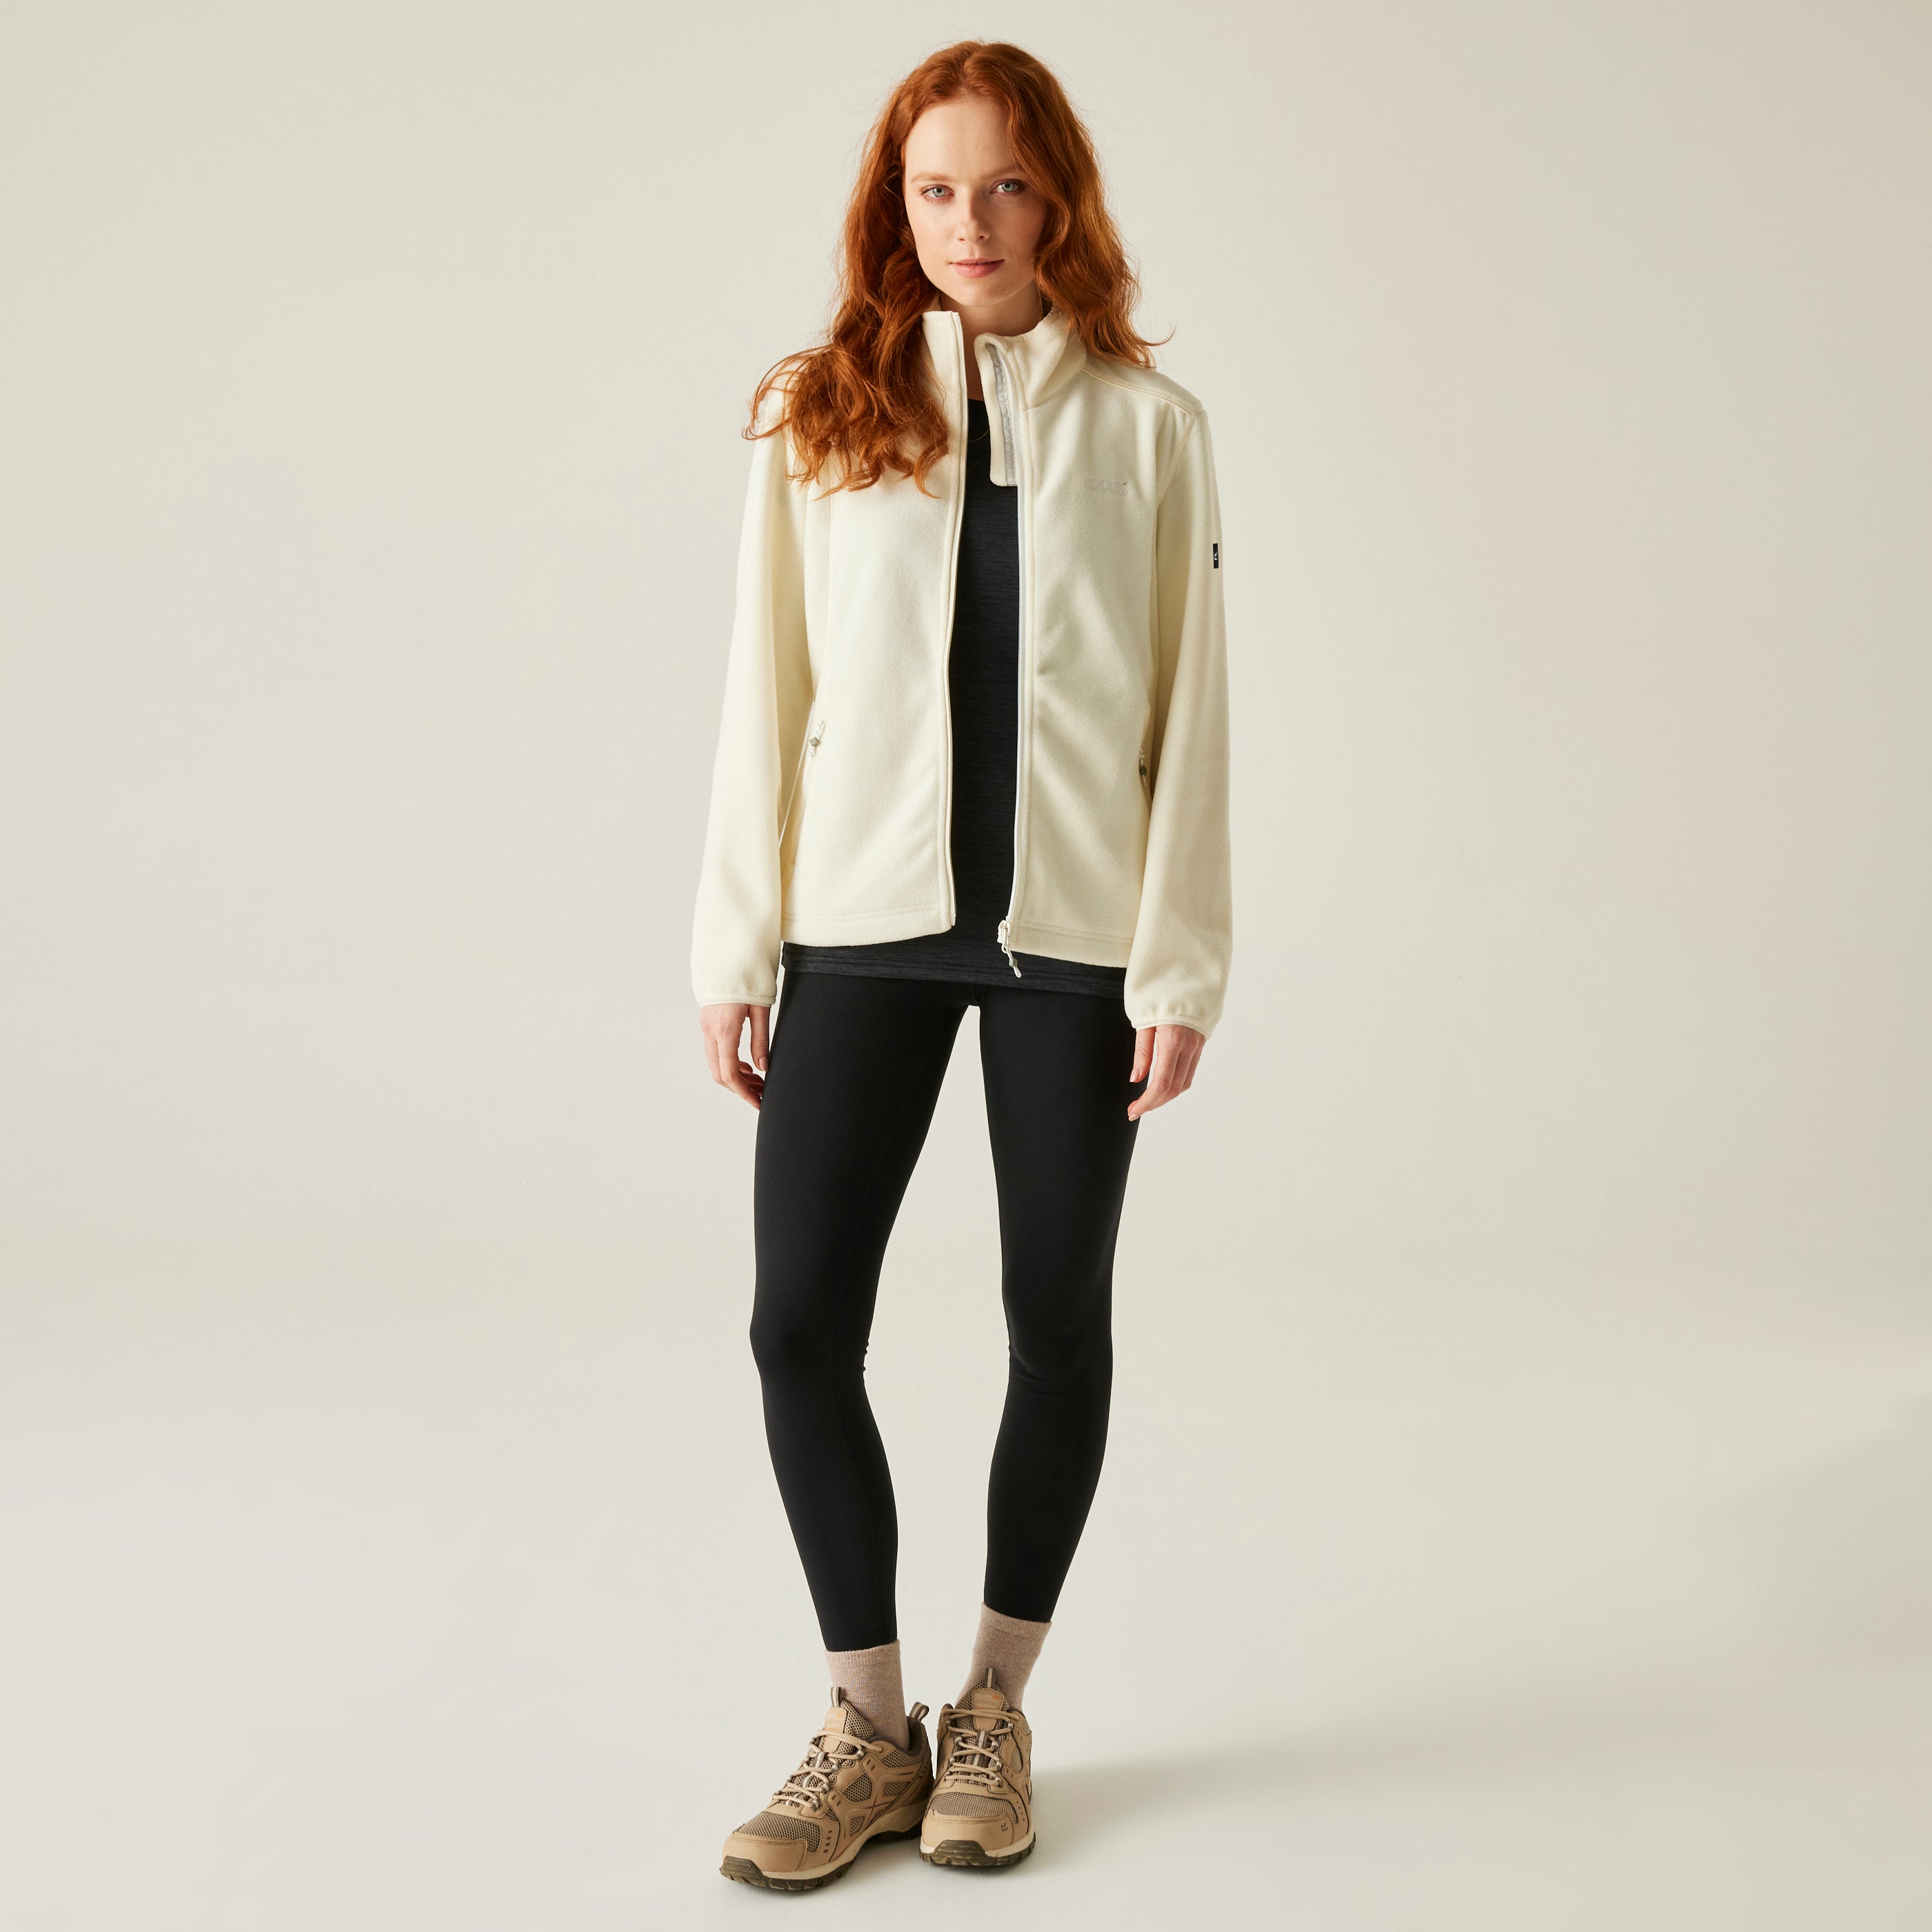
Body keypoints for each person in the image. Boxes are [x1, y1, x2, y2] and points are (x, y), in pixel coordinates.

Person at [691, 39, 1232, 1891]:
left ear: (1057, 197)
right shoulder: (821, 412)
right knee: (796, 1318)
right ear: (894, 207)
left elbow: (1194, 712)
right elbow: (763, 689)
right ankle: (867, 1729)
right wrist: (734, 942)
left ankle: (993, 1708)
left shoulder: (1153, 429)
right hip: (861, 932)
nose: (970, 222)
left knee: (1054, 1315)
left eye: (1004, 184)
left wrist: (1181, 964)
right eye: (935, 189)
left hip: (1073, 947)